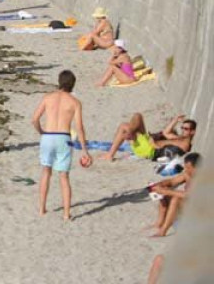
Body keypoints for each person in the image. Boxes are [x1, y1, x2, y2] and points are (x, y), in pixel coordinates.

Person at [31, 70, 92, 220]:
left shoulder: (48, 98)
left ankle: (42, 209)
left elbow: (34, 119)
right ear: (72, 84)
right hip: (64, 137)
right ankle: (66, 214)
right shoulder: (75, 102)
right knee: (64, 176)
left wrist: (41, 132)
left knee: (46, 172)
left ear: (59, 81)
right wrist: (85, 150)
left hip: (48, 136)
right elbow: (79, 127)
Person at [99, 114, 196, 161]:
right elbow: (166, 132)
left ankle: (110, 154)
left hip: (150, 150)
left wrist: (154, 145)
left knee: (124, 126)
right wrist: (175, 120)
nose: (183, 130)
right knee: (138, 116)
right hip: (149, 143)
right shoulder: (178, 138)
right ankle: (130, 133)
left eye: (186, 129)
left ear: (192, 132)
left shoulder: (185, 144)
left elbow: (171, 153)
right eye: (182, 128)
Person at [148, 152, 201, 237]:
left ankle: (163, 231)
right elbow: (172, 181)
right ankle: (159, 223)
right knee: (164, 194)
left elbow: (190, 195)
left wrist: (167, 191)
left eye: (188, 168)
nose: (186, 170)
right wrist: (161, 184)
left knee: (175, 199)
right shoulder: (187, 174)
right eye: (185, 167)